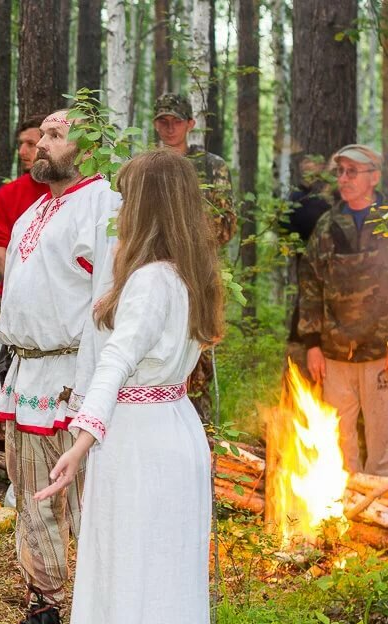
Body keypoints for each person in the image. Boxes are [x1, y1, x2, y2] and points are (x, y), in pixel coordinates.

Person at [36, 149, 223, 624]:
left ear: (148, 205)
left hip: (140, 438)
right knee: (166, 569)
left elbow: (116, 360)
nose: (118, 208)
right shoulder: (191, 275)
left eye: (126, 196)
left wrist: (81, 439)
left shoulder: (150, 280)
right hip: (176, 426)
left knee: (129, 567)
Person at [0, 109, 120, 624]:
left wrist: (93, 394)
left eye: (55, 136)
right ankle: (43, 607)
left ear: (84, 149)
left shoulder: (104, 207)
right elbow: (16, 302)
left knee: (86, 500)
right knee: (32, 495)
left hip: (74, 379)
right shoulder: (33, 211)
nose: (41, 144)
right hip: (25, 377)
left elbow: (107, 305)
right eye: (41, 135)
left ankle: (97, 616)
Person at [298, 144, 388, 476]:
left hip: (383, 354)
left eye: (352, 171)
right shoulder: (327, 226)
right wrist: (312, 344)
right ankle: (340, 518)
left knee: (385, 446)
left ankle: (383, 517)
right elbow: (311, 286)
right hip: (334, 356)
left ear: (374, 177)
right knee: (337, 444)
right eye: (340, 171)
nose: (344, 178)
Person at [152, 92, 236, 423]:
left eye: (176, 121)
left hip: (198, 277)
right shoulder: (146, 165)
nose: (169, 128)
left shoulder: (211, 167)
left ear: (190, 124)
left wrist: (180, 232)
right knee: (155, 355)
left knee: (196, 362)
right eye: (163, 121)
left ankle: (201, 439)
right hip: (153, 274)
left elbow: (225, 225)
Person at [0, 114, 51, 336]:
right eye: (21, 144)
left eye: (31, 144)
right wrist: (19, 287)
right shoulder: (8, 194)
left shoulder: (69, 193)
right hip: (12, 296)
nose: (22, 152)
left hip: (58, 301)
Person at [280, 155, 333, 370]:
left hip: (334, 271)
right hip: (308, 266)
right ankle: (302, 348)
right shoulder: (296, 198)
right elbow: (285, 228)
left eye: (314, 168)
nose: (310, 173)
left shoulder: (330, 199)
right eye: (306, 169)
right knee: (306, 303)